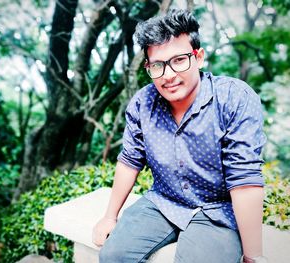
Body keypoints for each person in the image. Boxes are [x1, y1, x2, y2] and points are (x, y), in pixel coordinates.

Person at [92, 8, 267, 263]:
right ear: (148, 67)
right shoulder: (143, 104)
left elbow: (245, 180)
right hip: (164, 201)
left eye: (179, 60)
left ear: (199, 57)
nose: (169, 75)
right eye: (158, 65)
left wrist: (253, 256)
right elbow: (129, 161)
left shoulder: (234, 98)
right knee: (113, 256)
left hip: (218, 210)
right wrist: (110, 216)